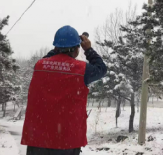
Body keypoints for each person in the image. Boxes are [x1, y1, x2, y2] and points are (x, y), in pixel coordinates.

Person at [21, 25, 107, 155]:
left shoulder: (39, 65)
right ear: (77, 49)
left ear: (55, 47)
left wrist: (60, 46)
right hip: (67, 140)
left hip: (37, 139)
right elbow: (101, 68)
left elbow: (49, 58)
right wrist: (88, 49)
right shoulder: (82, 70)